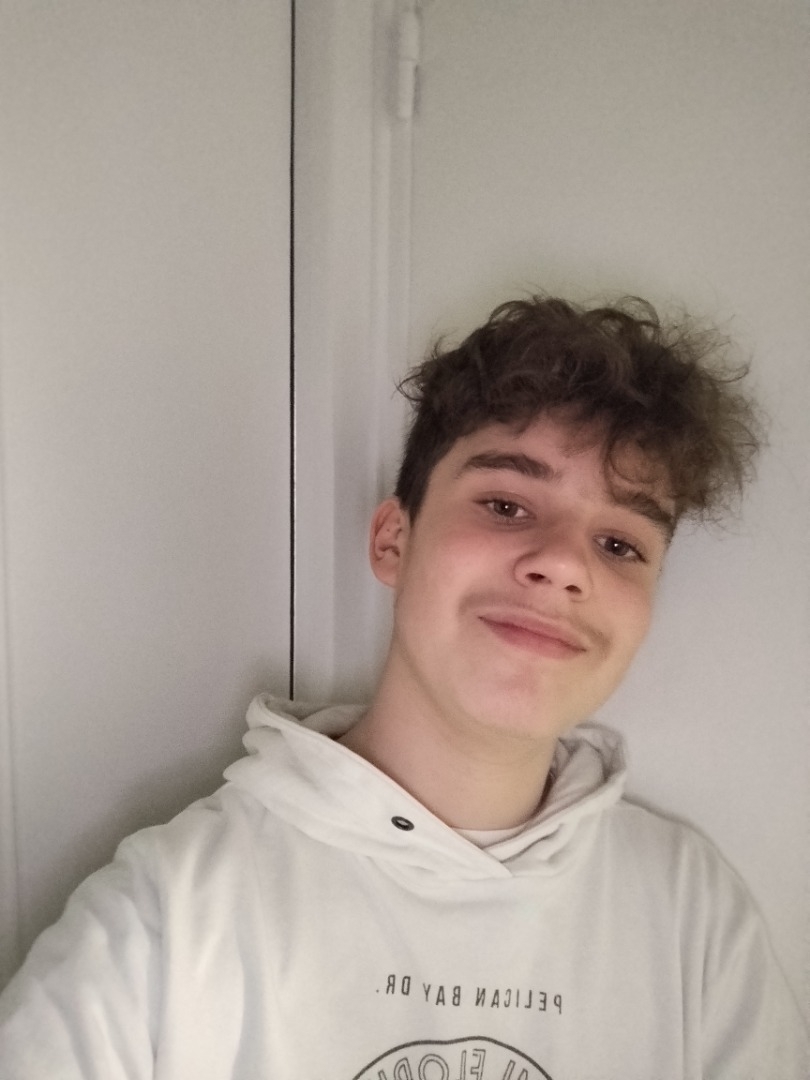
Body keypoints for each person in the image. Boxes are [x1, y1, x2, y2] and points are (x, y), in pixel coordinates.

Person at [0, 296, 806, 1079]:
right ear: (394, 539)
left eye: (621, 545)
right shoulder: (168, 916)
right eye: (506, 504)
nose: (564, 564)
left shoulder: (694, 918)